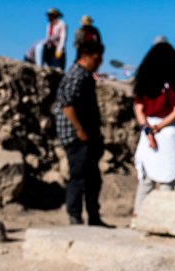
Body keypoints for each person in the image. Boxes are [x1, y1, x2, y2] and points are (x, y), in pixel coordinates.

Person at [131, 38, 175, 217]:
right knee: (166, 182)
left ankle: (138, 217)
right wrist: (157, 128)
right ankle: (163, 218)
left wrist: (148, 129)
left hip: (152, 130)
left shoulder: (144, 80)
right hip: (168, 132)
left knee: (146, 181)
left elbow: (139, 108)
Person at [55, 40, 108, 226]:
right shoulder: (75, 75)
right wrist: (79, 129)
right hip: (77, 136)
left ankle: (94, 217)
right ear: (86, 57)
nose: (100, 62)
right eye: (97, 58)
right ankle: (75, 216)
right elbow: (67, 105)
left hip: (88, 134)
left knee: (93, 178)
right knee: (78, 177)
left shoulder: (86, 76)